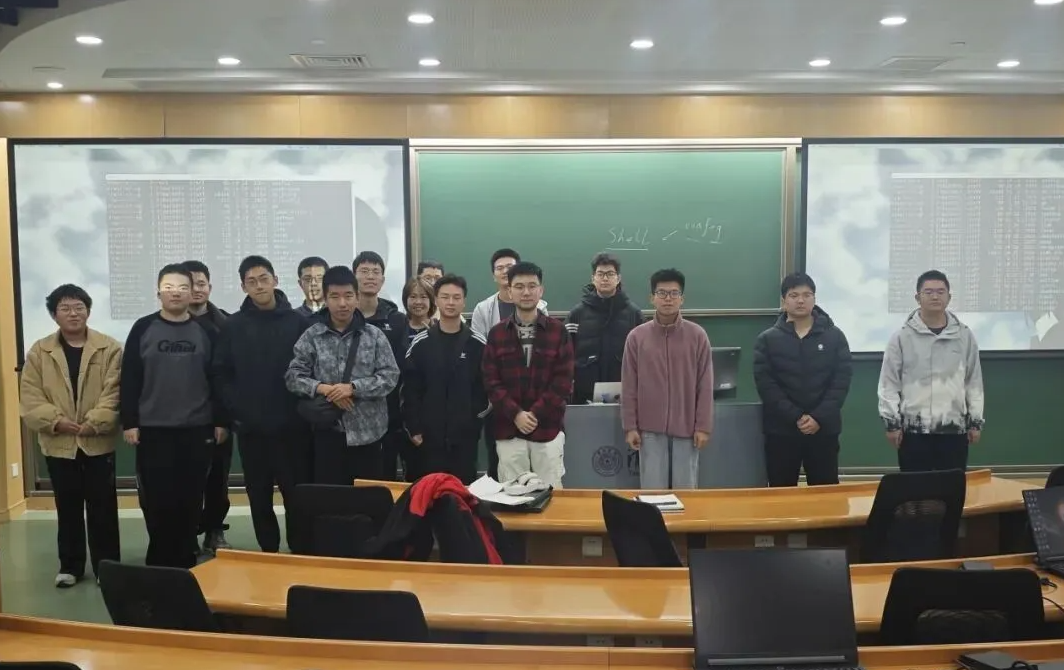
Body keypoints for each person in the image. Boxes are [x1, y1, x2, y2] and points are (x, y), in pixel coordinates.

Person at [120, 264, 228, 568]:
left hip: (197, 428)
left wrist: (221, 421)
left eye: (183, 287)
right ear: (158, 292)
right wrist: (130, 422)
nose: (176, 293)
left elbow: (219, 378)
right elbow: (130, 377)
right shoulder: (143, 328)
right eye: (169, 287)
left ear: (192, 292)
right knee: (156, 499)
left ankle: (185, 558)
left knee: (190, 497)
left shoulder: (207, 331)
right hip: (153, 430)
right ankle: (159, 561)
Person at [19, 284, 121, 588]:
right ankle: (70, 566)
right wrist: (56, 421)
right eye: (65, 308)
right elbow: (30, 396)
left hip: (98, 442)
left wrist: (94, 422)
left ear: (88, 311)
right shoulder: (39, 351)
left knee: (103, 508)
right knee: (68, 507)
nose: (73, 313)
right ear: (54, 315)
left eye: (79, 307)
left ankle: (107, 568)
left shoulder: (110, 348)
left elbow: (115, 392)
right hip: (58, 443)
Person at [214, 255, 312, 553]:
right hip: (252, 431)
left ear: (275, 281)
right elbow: (221, 372)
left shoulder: (299, 322)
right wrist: (237, 409)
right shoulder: (233, 325)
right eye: (251, 281)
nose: (259, 286)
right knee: (258, 497)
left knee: (297, 496)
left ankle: (300, 551)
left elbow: (312, 368)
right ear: (244, 287)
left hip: (293, 430)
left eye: (264, 279)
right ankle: (268, 552)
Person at [286, 266, 400, 484]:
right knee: (332, 500)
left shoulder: (374, 336)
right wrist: (325, 389)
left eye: (348, 296)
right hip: (327, 434)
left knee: (368, 499)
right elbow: (293, 377)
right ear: (325, 298)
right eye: (335, 297)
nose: (342, 303)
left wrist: (353, 388)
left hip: (369, 435)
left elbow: (390, 376)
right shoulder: (312, 336)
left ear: (357, 297)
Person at [878, 270, 984, 472]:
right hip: (914, 432)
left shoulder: (964, 336)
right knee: (916, 488)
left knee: (951, 487)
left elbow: (973, 381)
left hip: (954, 429)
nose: (935, 297)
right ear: (917, 298)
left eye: (940, 292)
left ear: (949, 297)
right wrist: (892, 424)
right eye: (928, 292)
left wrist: (975, 421)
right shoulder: (901, 337)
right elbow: (889, 383)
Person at [753, 273, 852, 487]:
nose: (801, 300)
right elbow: (766, 385)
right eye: (794, 295)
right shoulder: (767, 339)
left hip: (823, 429)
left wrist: (817, 417)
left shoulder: (834, 336)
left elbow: (841, 382)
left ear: (814, 299)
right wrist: (796, 416)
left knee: (825, 494)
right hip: (781, 431)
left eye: (807, 295)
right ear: (784, 301)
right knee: (781, 492)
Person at [482, 262, 573, 488]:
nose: (526, 292)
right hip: (508, 429)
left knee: (551, 494)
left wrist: (534, 414)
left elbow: (563, 381)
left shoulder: (558, 331)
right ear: (509, 291)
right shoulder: (497, 334)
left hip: (548, 428)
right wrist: (516, 414)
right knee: (512, 496)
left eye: (532, 286)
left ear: (541, 291)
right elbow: (491, 381)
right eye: (519, 286)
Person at [621, 269, 713, 490]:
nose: (668, 298)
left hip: (687, 428)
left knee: (686, 491)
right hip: (649, 429)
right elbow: (629, 385)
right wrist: (630, 426)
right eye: (662, 293)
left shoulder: (697, 335)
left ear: (682, 298)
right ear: (652, 298)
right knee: (653, 492)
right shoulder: (637, 337)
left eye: (674, 293)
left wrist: (703, 426)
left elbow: (705, 385)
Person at [404, 274, 490, 484]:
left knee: (463, 493)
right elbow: (410, 390)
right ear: (436, 300)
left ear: (464, 301)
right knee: (429, 494)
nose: (450, 302)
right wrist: (414, 428)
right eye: (445, 297)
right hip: (428, 439)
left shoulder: (477, 344)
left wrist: (472, 422)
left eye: (456, 297)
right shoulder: (421, 343)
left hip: (465, 439)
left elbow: (486, 389)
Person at [471, 248, 547, 479]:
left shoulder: (540, 308)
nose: (505, 271)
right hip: (498, 402)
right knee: (499, 465)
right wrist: (509, 406)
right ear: (493, 275)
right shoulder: (483, 309)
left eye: (509, 266)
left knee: (539, 471)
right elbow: (482, 354)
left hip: (536, 404)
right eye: (499, 268)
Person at [183, 260, 232, 554]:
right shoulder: (164, 324)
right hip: (180, 417)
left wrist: (223, 419)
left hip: (217, 416)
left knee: (218, 478)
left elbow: (231, 376)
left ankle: (214, 530)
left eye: (201, 283)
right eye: (190, 285)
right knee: (184, 480)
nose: (196, 289)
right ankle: (186, 533)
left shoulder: (227, 324)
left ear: (209, 287)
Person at [352, 251, 409, 481]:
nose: (370, 276)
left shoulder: (397, 320)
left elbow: (400, 368)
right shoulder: (343, 317)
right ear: (354, 276)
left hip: (388, 413)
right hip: (349, 412)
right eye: (364, 271)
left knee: (384, 479)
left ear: (383, 280)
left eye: (376, 272)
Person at [564, 252, 644, 404]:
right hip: (584, 397)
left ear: (618, 278)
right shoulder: (576, 314)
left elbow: (642, 358)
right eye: (600, 274)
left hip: (625, 396)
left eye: (610, 274)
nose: (605, 278)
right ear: (593, 278)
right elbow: (565, 356)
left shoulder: (634, 315)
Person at [403, 276, 434, 349]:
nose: (418, 302)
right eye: (413, 297)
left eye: (423, 297)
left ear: (431, 301)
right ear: (405, 300)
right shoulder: (398, 329)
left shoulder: (438, 329)